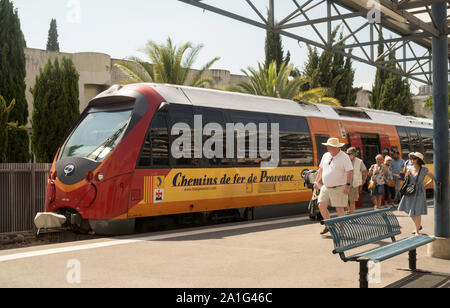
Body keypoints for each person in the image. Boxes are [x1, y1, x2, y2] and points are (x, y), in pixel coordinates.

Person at [314, 138, 353, 235]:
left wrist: (348, 185)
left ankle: (342, 230)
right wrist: (316, 181)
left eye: (329, 146)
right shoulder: (326, 155)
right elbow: (321, 169)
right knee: (321, 205)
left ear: (336, 147)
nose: (327, 148)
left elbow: (350, 171)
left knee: (339, 209)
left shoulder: (344, 157)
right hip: (326, 186)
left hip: (339, 187)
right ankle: (329, 226)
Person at [398, 152, 434, 235]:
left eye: (414, 158)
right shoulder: (409, 167)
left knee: (417, 211)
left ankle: (417, 230)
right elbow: (405, 179)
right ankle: (418, 226)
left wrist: (425, 186)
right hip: (410, 190)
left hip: (419, 192)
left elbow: (433, 178)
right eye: (411, 158)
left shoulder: (424, 169)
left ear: (419, 160)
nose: (411, 160)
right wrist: (406, 176)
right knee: (408, 209)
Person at [346, 147, 368, 214]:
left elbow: (365, 171)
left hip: (353, 184)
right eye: (347, 153)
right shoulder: (345, 160)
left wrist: (364, 180)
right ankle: (349, 210)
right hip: (344, 184)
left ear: (354, 154)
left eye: (349, 153)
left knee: (352, 201)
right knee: (343, 200)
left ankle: (351, 214)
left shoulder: (359, 161)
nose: (347, 155)